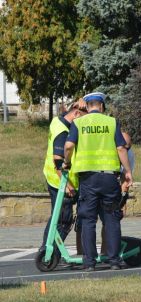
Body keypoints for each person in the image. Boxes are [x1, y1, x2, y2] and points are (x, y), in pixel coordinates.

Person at [63, 92, 132, 271]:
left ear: (88, 106)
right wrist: (128, 171)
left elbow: (69, 146)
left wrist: (67, 162)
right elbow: (121, 148)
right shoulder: (111, 122)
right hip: (109, 179)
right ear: (101, 106)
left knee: (88, 220)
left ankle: (89, 263)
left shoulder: (79, 123)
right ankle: (114, 261)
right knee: (111, 219)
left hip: (88, 180)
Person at [40, 99, 87, 252]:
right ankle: (50, 253)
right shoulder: (63, 132)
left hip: (54, 178)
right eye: (83, 118)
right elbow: (58, 161)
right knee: (63, 219)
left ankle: (47, 250)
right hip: (61, 182)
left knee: (57, 217)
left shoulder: (58, 121)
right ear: (76, 113)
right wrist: (68, 186)